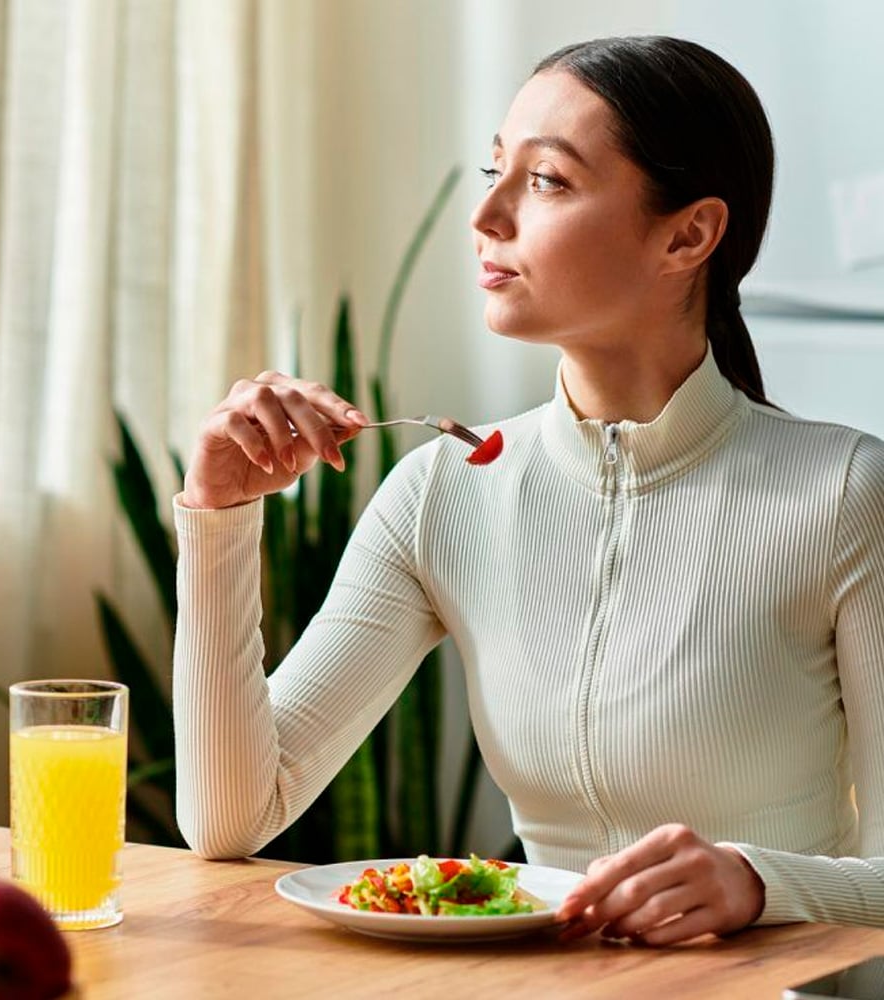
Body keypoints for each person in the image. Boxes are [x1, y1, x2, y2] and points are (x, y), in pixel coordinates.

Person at [172, 35, 884, 944]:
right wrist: (220, 517)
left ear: (689, 235)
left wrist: (757, 883)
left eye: (545, 180)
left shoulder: (844, 495)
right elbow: (232, 817)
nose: (487, 215)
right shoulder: (441, 493)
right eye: (495, 170)